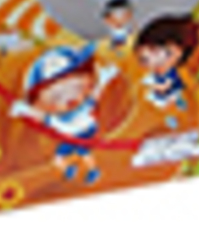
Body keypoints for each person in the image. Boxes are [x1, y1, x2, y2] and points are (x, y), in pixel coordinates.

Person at [10, 43, 119, 184]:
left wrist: (104, 77)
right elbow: (42, 115)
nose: (69, 98)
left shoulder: (82, 107)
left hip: (84, 131)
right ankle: (69, 170)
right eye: (57, 96)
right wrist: (24, 109)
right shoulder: (58, 116)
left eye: (77, 87)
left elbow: (95, 94)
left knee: (83, 152)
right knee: (58, 157)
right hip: (70, 135)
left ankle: (93, 170)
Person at [134, 14, 199, 129]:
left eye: (153, 51)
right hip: (161, 98)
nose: (151, 62)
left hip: (170, 93)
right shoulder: (156, 71)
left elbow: (169, 83)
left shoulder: (174, 72)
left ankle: (174, 117)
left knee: (170, 106)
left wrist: (159, 86)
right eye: (143, 59)